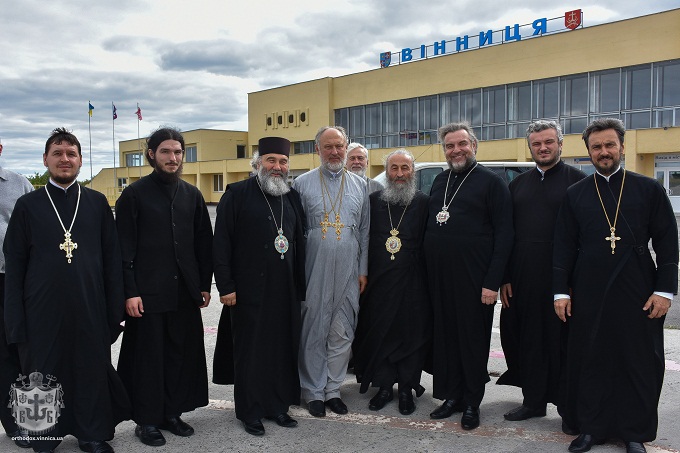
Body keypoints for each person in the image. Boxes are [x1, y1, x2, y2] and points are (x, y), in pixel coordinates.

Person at [553, 118, 677, 453]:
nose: (604, 152)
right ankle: (591, 428)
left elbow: (668, 242)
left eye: (610, 145)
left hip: (638, 287)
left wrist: (665, 291)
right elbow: (563, 245)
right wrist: (561, 291)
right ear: (588, 151)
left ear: (622, 146)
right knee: (590, 358)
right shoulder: (575, 193)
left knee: (635, 360)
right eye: (597, 147)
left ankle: (634, 432)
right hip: (587, 289)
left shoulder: (647, 189)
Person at [4, 128, 129, 453]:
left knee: (89, 370)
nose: (64, 159)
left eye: (71, 154)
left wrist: (114, 313)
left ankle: (91, 433)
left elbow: (112, 260)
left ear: (80, 160)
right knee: (40, 375)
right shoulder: (27, 205)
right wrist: (14, 320)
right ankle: (44, 437)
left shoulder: (97, 203)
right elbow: (15, 267)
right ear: (45, 159)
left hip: (90, 307)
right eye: (57, 153)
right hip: (40, 312)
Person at [115, 127, 213, 447]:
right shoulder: (133, 195)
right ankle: (146, 420)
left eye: (178, 152)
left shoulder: (192, 194)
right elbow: (123, 249)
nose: (173, 158)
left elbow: (203, 244)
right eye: (166, 152)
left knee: (178, 355)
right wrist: (130, 291)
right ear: (152, 155)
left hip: (183, 293)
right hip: (147, 294)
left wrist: (202, 285)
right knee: (148, 360)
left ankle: (172, 412)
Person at [212, 137, 306, 436]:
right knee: (251, 352)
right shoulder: (237, 194)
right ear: (258, 164)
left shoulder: (291, 197)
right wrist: (225, 286)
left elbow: (299, 243)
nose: (277, 167)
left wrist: (300, 288)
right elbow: (222, 243)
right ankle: (250, 410)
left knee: (280, 349)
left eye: (282, 162)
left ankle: (278, 406)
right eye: (271, 161)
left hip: (284, 290)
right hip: (248, 290)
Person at [424, 122, 513, 430]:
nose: (456, 150)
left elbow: (505, 235)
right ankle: (452, 396)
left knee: (472, 341)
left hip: (475, 281)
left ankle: (472, 402)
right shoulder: (439, 180)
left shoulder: (491, 182)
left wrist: (492, 282)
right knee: (446, 339)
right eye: (449, 146)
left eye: (462, 144)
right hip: (440, 279)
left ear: (474, 146)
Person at [497, 121, 586, 429]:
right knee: (528, 341)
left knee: (562, 343)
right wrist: (505, 276)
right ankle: (533, 402)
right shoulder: (517, 185)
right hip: (522, 279)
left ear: (561, 144)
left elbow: (585, 236)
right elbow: (506, 234)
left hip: (563, 281)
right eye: (537, 144)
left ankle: (567, 406)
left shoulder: (578, 182)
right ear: (530, 147)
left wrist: (576, 282)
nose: (543, 147)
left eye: (549, 142)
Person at [294, 126, 370, 417]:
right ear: (317, 150)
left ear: (346, 147)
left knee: (343, 329)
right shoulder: (302, 183)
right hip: (313, 265)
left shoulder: (360, 184)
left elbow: (364, 231)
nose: (335, 152)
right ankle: (313, 391)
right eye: (328, 147)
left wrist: (362, 270)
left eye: (339, 146)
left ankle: (333, 389)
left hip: (349, 266)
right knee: (314, 326)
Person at [352, 149, 431, 415]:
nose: (399, 174)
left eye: (404, 168)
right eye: (394, 168)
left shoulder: (423, 203)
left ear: (412, 171)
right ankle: (384, 386)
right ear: (386, 172)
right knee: (381, 333)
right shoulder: (374, 201)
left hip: (413, 283)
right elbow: (362, 238)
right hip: (379, 282)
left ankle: (407, 388)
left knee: (411, 336)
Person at [0, 137, 34, 449]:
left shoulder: (19, 183)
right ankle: (14, 425)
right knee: (2, 356)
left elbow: (39, 224)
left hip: (17, 279)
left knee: (23, 351)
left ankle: (34, 422)